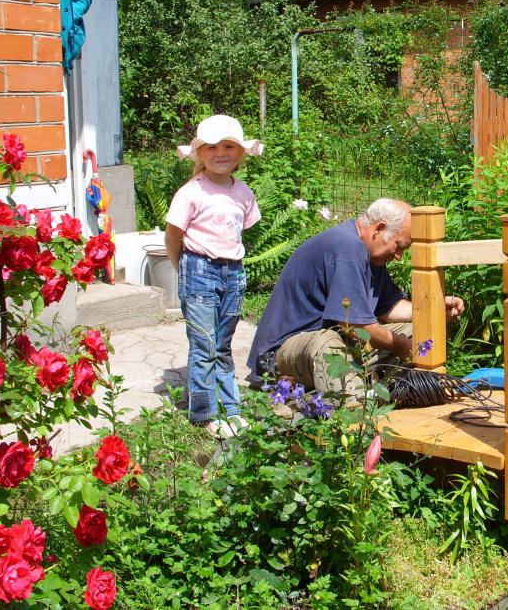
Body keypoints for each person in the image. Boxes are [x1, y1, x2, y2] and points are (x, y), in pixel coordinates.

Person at [246, 198, 465, 394]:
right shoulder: (347, 247)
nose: (399, 256)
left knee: (418, 333)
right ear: (379, 228)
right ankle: (349, 415)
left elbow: (389, 308)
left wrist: (433, 310)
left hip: (327, 348)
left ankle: (406, 393)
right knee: (329, 343)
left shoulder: (370, 254)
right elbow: (354, 326)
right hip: (281, 356)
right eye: (399, 246)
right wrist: (402, 347)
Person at [165, 114, 262, 435]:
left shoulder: (244, 192)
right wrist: (183, 268)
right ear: (199, 153)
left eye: (229, 146)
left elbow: (238, 233)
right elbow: (173, 235)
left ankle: (231, 408)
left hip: (233, 272)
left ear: (241, 152)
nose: (221, 153)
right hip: (198, 269)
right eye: (212, 147)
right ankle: (205, 414)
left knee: (222, 344)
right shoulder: (192, 192)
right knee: (204, 345)